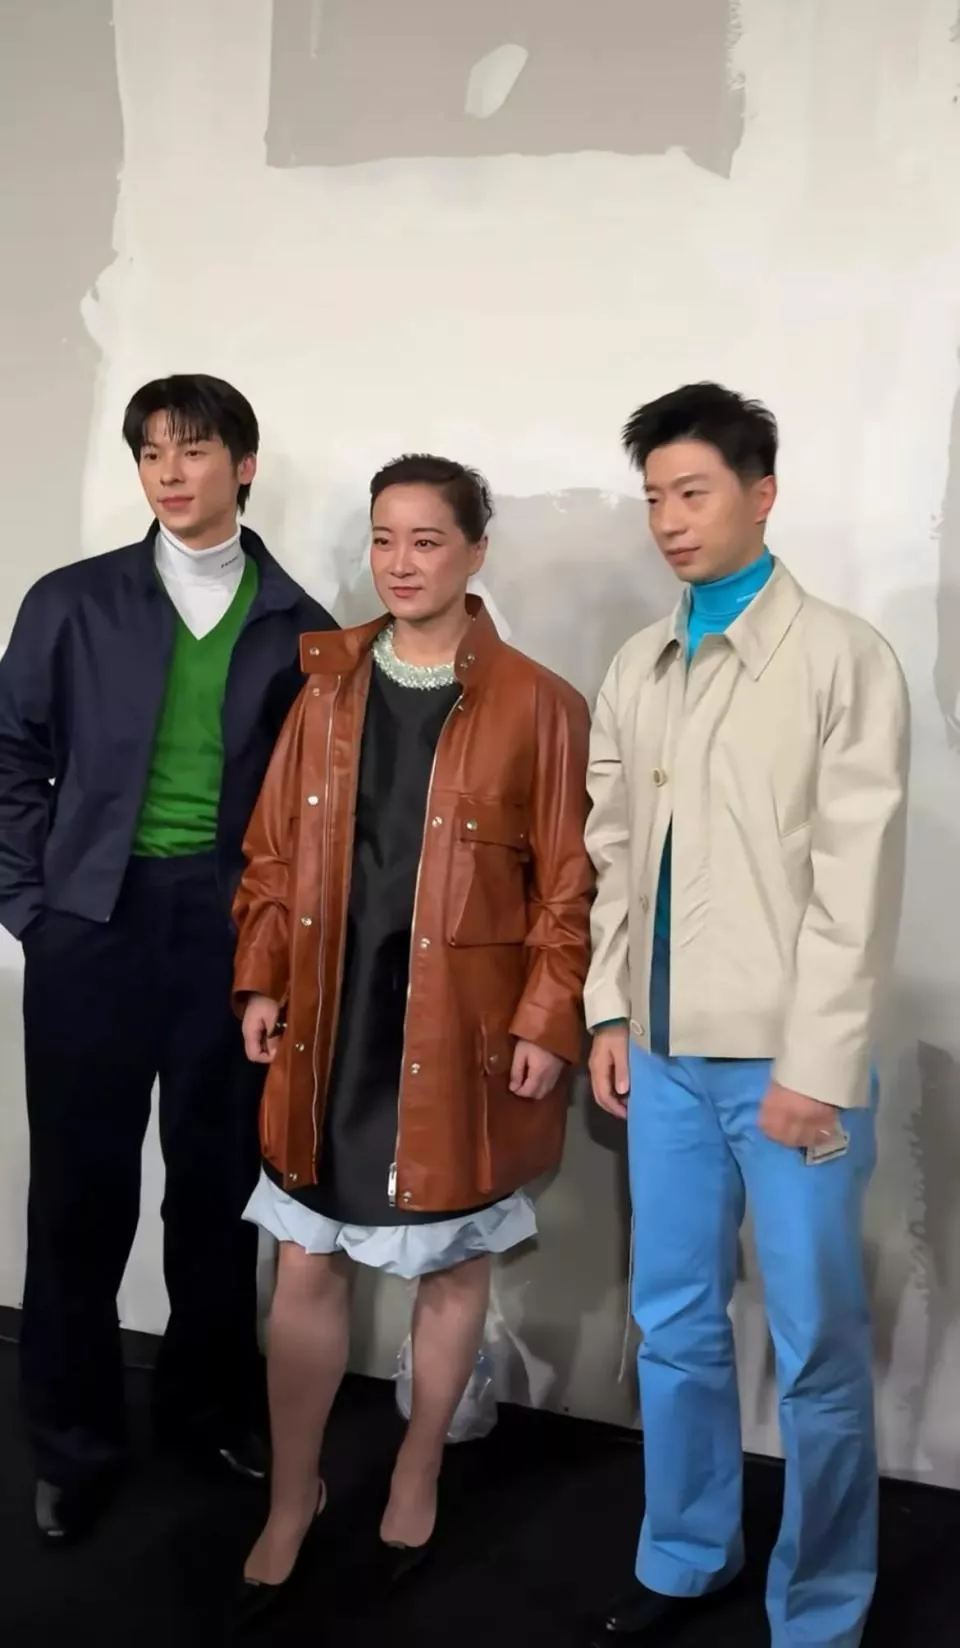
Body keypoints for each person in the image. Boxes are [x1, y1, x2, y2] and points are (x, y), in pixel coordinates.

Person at [231, 453, 592, 1621]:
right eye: (384, 538)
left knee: (452, 1263)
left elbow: (569, 889)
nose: (400, 562)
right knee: (305, 1260)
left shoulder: (540, 704)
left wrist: (547, 1017)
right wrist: (260, 976)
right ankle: (293, 1493)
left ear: (476, 551)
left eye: (427, 539)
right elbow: (273, 853)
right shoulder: (325, 686)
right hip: (332, 1023)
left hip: (462, 1028)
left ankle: (418, 1466)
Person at [584, 383, 909, 1648]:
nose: (670, 519)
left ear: (762, 493)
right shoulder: (638, 663)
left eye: (694, 491)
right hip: (662, 1058)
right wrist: (610, 1012)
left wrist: (816, 1066)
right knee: (673, 1323)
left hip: (791, 1065)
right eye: (655, 497)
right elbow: (614, 856)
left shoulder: (841, 658)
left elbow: (855, 884)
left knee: (818, 1344)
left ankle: (821, 1606)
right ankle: (683, 1554)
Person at [0, 374, 336, 1543]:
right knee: (77, 1194)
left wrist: (277, 948)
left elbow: (310, 808)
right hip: (92, 922)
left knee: (215, 1187)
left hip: (229, 929)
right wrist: (33, 906)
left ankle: (204, 1413)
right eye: (151, 454)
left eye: (192, 451)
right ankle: (72, 1442)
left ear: (244, 464)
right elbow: (11, 752)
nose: (170, 473)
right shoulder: (72, 601)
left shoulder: (300, 623)